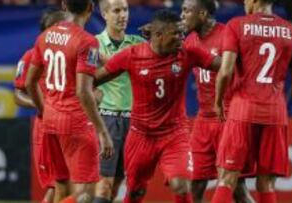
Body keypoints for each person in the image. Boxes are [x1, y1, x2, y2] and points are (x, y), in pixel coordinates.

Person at [94, 9, 221, 203]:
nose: (182, 38)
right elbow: (95, 79)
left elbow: (223, 65)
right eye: (176, 34)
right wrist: (84, 92)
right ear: (159, 35)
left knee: (181, 185)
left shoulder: (189, 53)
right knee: (136, 191)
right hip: (140, 135)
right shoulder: (132, 55)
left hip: (175, 134)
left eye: (182, 33)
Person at [213, 0, 292, 202]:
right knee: (266, 184)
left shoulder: (237, 25)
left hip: (242, 111)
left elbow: (225, 72)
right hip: (275, 114)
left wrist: (218, 100)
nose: (244, 3)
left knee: (227, 178)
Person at [25, 0, 114, 202]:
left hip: (50, 122)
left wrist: (44, 109)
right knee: (85, 195)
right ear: (91, 8)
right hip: (76, 122)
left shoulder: (45, 36)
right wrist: (102, 131)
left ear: (64, 5)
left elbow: (31, 83)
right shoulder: (87, 42)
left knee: (62, 188)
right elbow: (83, 91)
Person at [180, 0, 255, 202]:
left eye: (187, 10)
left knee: (236, 186)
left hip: (228, 117)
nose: (182, 15)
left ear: (203, 14)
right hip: (203, 120)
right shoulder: (189, 41)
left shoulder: (227, 35)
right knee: (193, 184)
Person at [14, 9, 69, 203]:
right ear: (44, 32)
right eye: (57, 28)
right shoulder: (31, 56)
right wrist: (43, 106)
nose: (63, 32)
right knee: (60, 184)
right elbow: (18, 94)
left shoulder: (73, 54)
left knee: (66, 185)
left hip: (72, 126)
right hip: (47, 129)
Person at [94, 0, 144, 202]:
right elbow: (82, 80)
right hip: (107, 120)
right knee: (104, 184)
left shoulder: (139, 44)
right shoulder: (93, 44)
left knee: (117, 185)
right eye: (116, 10)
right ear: (104, 14)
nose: (123, 15)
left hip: (134, 123)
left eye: (125, 9)